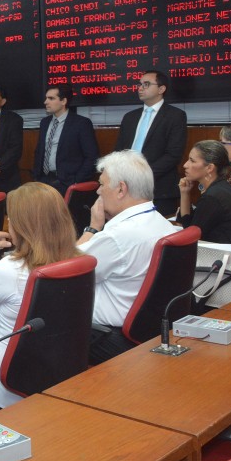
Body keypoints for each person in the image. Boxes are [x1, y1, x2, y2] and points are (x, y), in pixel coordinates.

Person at [0, 183, 79, 410]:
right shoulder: (76, 261)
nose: (9, 223)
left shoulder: (10, 271)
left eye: (11, 218)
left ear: (23, 226)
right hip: (45, 376)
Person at [77, 151, 178, 364]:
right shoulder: (163, 223)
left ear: (121, 189)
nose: (98, 190)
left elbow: (64, 270)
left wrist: (93, 228)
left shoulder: (117, 237)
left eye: (102, 184)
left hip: (106, 336)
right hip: (152, 330)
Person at [114, 70, 187, 217]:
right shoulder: (130, 117)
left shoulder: (175, 116)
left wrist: (143, 176)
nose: (140, 88)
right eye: (139, 84)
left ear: (161, 89)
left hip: (159, 188)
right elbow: (119, 151)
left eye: (146, 84)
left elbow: (173, 155)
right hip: (127, 187)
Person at [178, 140, 231, 250]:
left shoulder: (213, 197)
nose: (185, 165)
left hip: (230, 261)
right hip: (230, 255)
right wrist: (185, 193)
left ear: (209, 168)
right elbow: (190, 227)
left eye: (192, 161)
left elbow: (190, 236)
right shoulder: (221, 188)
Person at [32, 84, 99, 194]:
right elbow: (39, 151)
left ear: (63, 101)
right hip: (43, 181)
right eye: (46, 98)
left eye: (51, 98)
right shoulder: (44, 122)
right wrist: (36, 176)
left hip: (67, 183)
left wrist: (76, 181)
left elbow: (91, 157)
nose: (45, 102)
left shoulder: (81, 123)